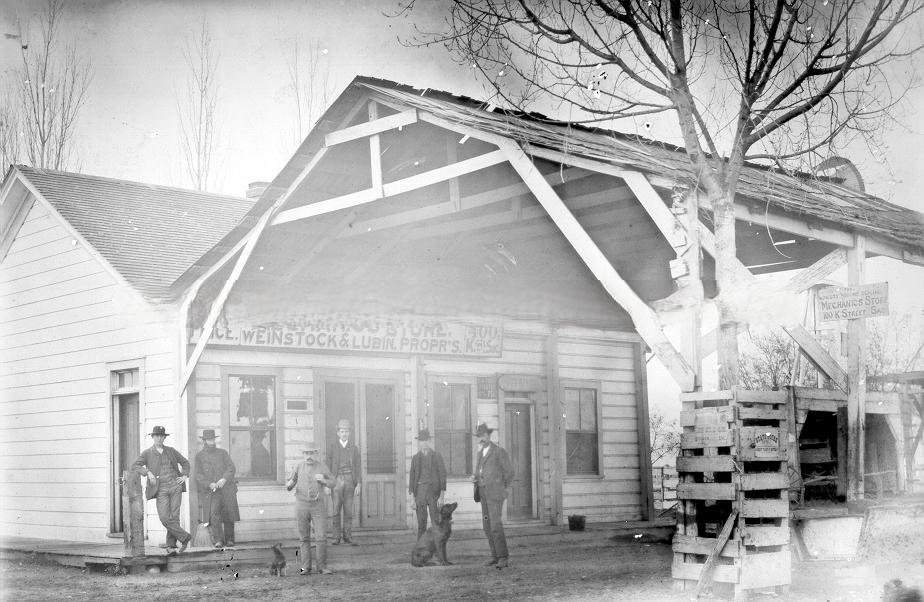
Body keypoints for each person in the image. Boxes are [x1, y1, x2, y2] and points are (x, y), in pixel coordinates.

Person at [133, 425, 191, 556]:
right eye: (156, 436)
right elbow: (136, 465)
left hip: (175, 486)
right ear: (153, 437)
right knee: (164, 517)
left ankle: (171, 546)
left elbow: (185, 463)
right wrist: (147, 472)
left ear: (164, 438)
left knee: (174, 517)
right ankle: (185, 537)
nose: (159, 438)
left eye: (161, 436)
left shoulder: (171, 451)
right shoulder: (147, 453)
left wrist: (184, 475)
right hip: (161, 489)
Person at [286, 447, 335, 575]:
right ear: (303, 454)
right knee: (304, 537)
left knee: (321, 536)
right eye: (306, 453)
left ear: (316, 454)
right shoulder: (298, 466)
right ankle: (305, 567)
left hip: (318, 506)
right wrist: (289, 484)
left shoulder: (322, 467)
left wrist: (323, 480)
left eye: (311, 453)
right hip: (301, 505)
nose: (309, 456)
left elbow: (333, 482)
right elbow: (290, 484)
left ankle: (321, 567)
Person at [472, 422, 514, 569]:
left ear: (488, 435)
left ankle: (503, 557)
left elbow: (509, 473)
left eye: (483, 435)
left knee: (495, 524)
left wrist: (504, 488)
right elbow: (479, 472)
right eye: (479, 436)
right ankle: (495, 556)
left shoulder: (498, 452)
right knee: (486, 525)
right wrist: (475, 477)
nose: (481, 438)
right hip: (483, 493)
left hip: (495, 494)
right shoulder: (479, 453)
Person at [193, 429, 240, 549]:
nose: (211, 442)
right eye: (209, 440)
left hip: (226, 489)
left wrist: (224, 479)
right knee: (214, 514)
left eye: (213, 439)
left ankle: (230, 539)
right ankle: (218, 540)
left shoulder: (223, 453)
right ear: (204, 441)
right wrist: (209, 484)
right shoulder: (200, 456)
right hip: (212, 491)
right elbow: (198, 475)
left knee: (229, 513)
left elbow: (231, 468)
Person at [327, 418, 361, 545]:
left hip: (349, 481)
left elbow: (358, 467)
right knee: (335, 510)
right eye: (342, 431)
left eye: (346, 431)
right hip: (336, 481)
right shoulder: (333, 447)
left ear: (349, 433)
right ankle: (336, 537)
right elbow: (328, 466)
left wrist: (358, 483)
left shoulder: (354, 448)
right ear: (338, 433)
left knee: (348, 510)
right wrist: (327, 483)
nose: (344, 433)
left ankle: (347, 536)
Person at [408, 428, 447, 537]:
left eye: (425, 440)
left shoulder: (436, 456)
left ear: (429, 441)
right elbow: (412, 479)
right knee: (421, 523)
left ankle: (436, 549)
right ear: (419, 442)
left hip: (433, 493)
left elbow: (442, 476)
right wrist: (412, 499)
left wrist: (441, 497)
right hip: (420, 493)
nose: (423, 443)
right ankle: (421, 549)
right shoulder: (415, 458)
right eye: (421, 440)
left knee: (435, 522)